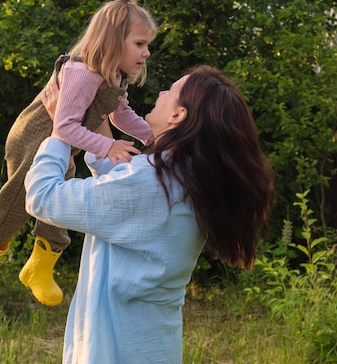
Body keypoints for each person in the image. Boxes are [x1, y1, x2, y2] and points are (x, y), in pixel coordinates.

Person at [24, 65, 275, 363]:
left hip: (116, 350)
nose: (161, 92)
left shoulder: (151, 183)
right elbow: (119, 183)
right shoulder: (186, 178)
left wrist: (59, 131)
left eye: (171, 90)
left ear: (178, 115)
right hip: (150, 345)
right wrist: (95, 107)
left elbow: (43, 196)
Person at [0, 0, 157, 306]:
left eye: (147, 45)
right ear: (114, 40)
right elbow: (64, 126)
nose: (146, 53)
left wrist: (151, 134)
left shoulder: (114, 77)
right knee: (23, 192)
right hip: (33, 138)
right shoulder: (83, 72)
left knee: (58, 200)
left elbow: (122, 116)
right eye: (140, 44)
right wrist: (108, 147)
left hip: (64, 144)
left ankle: (39, 266)